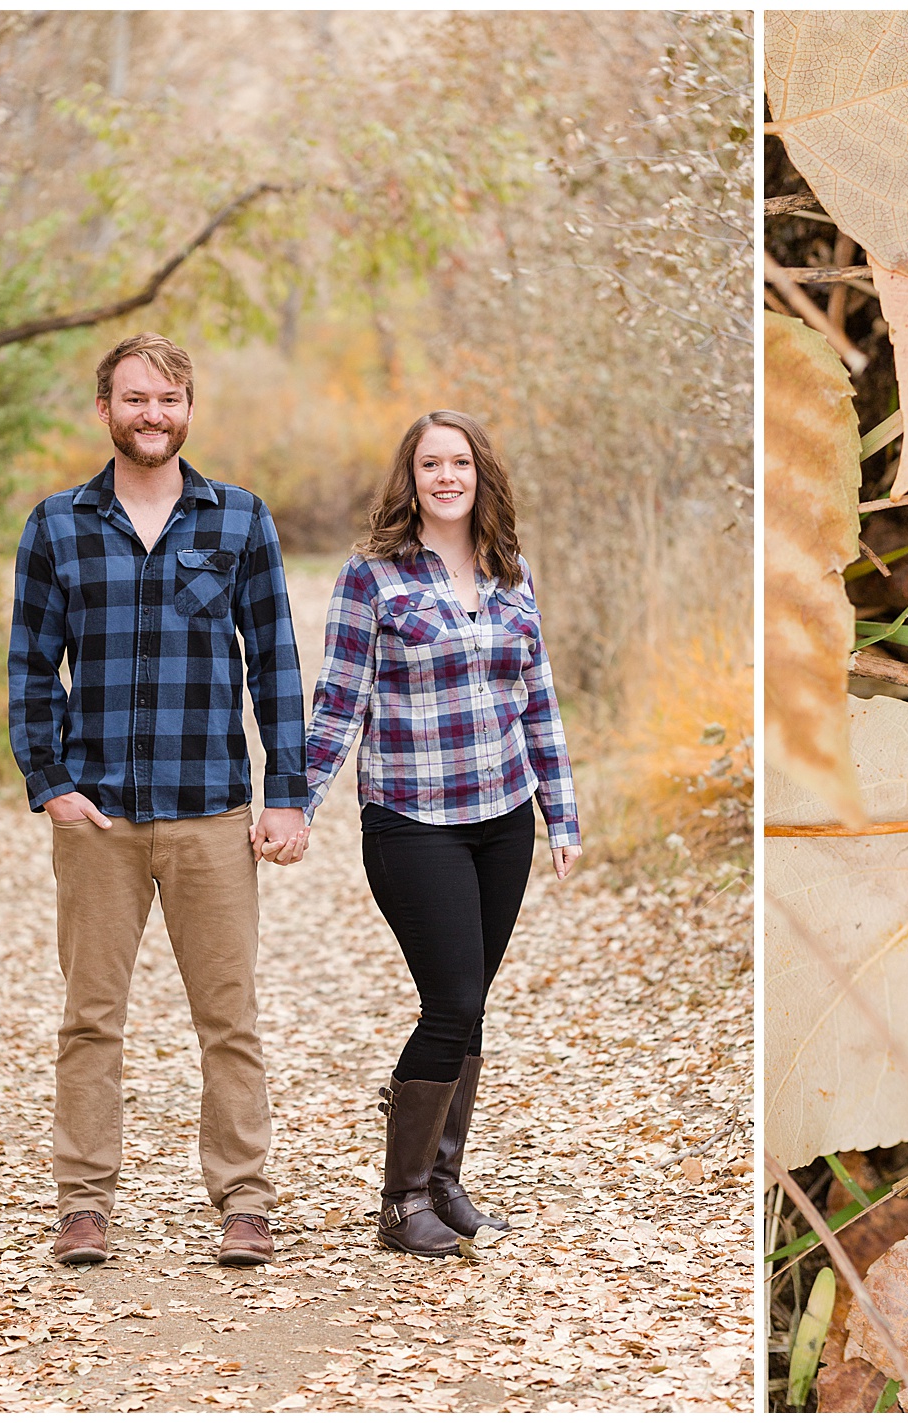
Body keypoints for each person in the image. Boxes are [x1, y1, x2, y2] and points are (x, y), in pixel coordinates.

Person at [8, 332, 310, 1270]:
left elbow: (278, 667)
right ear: (105, 409)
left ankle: (245, 1203)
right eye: (135, 398)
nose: (153, 414)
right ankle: (84, 1204)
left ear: (189, 409)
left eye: (169, 399)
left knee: (230, 1019)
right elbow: (29, 666)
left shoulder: (240, 520)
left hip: (212, 810)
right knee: (91, 1016)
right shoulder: (56, 525)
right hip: (98, 818)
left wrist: (286, 793)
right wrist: (49, 780)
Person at [302, 409, 581, 1257]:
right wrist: (296, 801)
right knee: (451, 999)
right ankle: (400, 1200)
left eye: (460, 462)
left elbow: (537, 697)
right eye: (431, 464)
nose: (447, 476)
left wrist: (559, 811)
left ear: (480, 473)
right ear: (412, 478)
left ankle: (445, 1182)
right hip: (412, 818)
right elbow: (340, 698)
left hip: (502, 818)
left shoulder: (510, 571)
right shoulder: (373, 577)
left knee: (472, 1007)